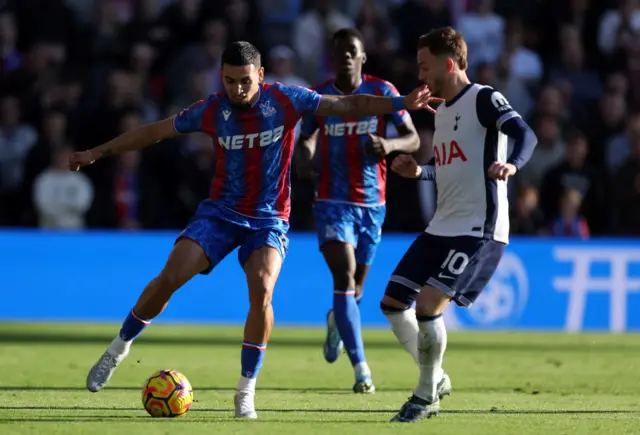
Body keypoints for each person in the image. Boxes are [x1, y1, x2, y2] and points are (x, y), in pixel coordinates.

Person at [70, 41, 438, 420]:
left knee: (262, 289)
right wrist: (97, 152)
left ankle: (245, 391)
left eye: (244, 81)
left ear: (260, 75)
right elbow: (154, 132)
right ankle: (118, 348)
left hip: (269, 220)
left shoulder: (286, 100)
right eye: (229, 81)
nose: (237, 89)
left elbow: (349, 105)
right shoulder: (213, 109)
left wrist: (400, 104)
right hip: (219, 215)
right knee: (170, 277)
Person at [383, 27, 538, 423]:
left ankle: (424, 396)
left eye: (424, 66)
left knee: (429, 304)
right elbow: (450, 168)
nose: (420, 75)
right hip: (441, 226)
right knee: (393, 302)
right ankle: (437, 377)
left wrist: (512, 164)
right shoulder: (444, 110)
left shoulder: (484, 98)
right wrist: (419, 172)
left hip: (478, 229)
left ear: (448, 64)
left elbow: (525, 133)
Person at [296, 28, 424, 394]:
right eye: (339, 52)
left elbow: (413, 138)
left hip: (373, 205)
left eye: (353, 51)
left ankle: (337, 320)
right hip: (332, 202)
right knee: (345, 277)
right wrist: (304, 159)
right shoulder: (318, 98)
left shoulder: (382, 92)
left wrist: (389, 144)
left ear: (363, 57)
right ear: (331, 58)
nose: (346, 57)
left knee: (357, 290)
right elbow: (306, 138)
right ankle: (361, 370)